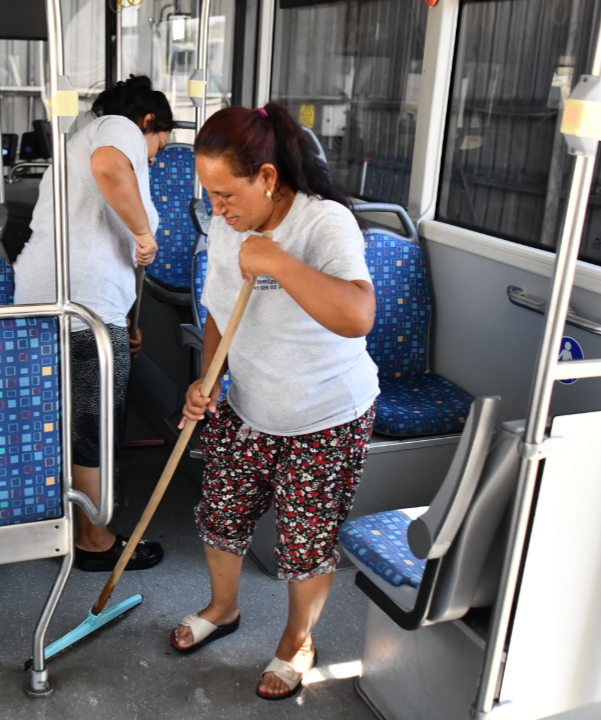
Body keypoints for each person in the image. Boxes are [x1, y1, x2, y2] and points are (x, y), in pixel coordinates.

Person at [168, 103, 379, 700]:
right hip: (250, 405)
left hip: (326, 416)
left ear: (266, 176)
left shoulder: (324, 223)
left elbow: (358, 315)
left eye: (225, 193)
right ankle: (223, 608)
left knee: (305, 540)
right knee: (221, 514)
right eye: (209, 194)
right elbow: (218, 310)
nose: (217, 208)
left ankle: (297, 642)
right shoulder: (225, 223)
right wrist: (208, 379)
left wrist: (278, 262)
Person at [14, 75, 172, 572]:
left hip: (50, 301)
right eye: (158, 148)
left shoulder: (78, 139)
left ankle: (66, 525)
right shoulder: (119, 128)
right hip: (83, 307)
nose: (151, 161)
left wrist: (120, 322)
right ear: (149, 121)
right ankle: (94, 541)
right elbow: (110, 167)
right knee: (94, 425)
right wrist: (144, 233)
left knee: (66, 419)